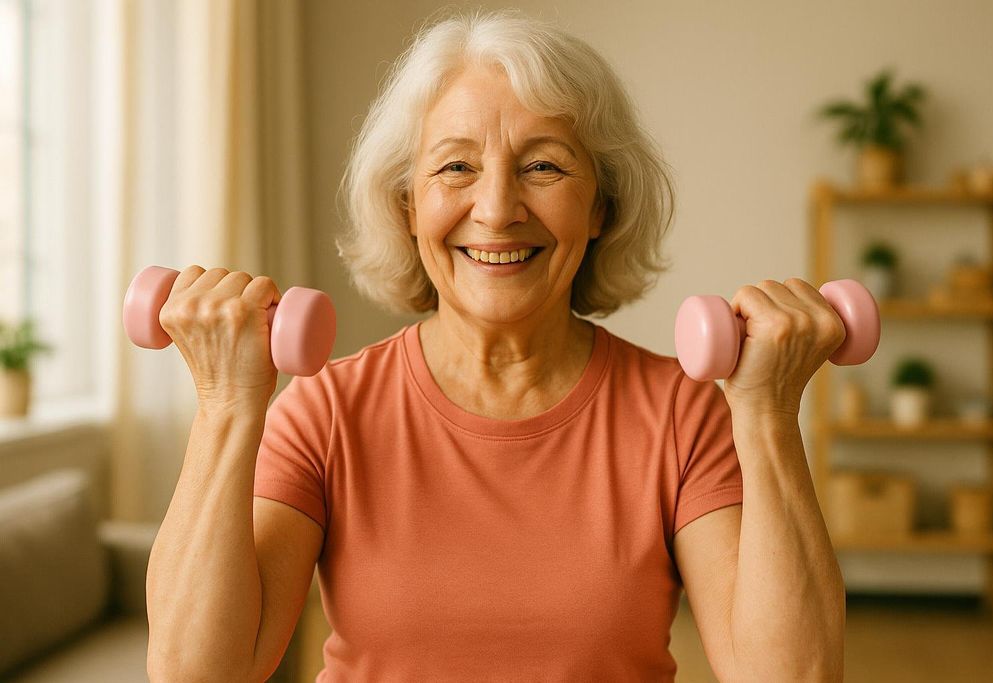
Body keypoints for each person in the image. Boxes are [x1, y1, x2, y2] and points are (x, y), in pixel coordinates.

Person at [146, 8, 846, 682]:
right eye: (456, 168)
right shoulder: (327, 412)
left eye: (544, 167)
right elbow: (198, 672)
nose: (497, 209)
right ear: (407, 205)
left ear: (600, 207)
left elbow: (787, 674)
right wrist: (228, 403)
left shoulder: (681, 415)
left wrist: (767, 414)